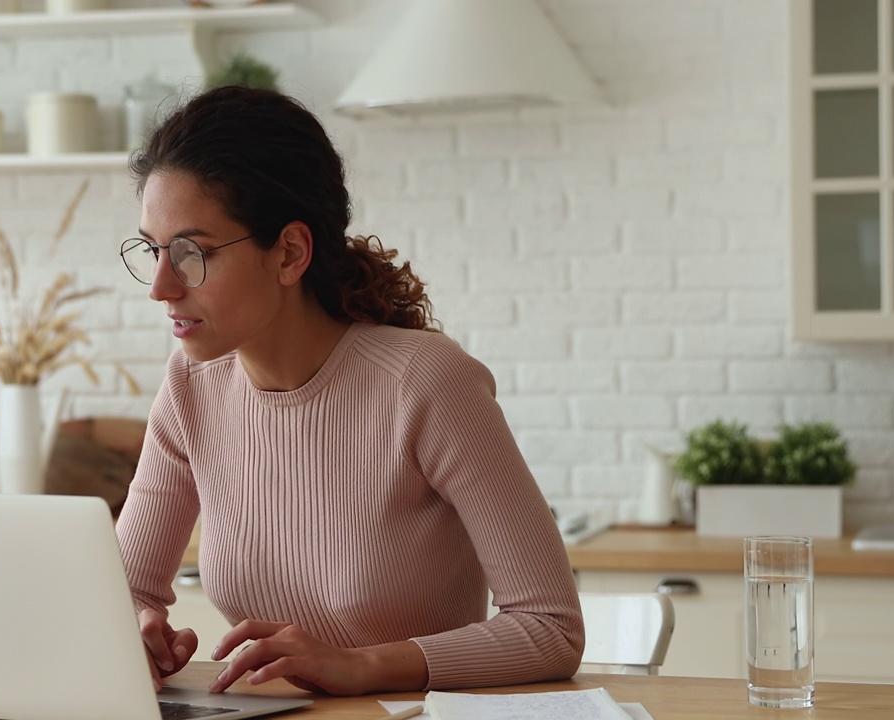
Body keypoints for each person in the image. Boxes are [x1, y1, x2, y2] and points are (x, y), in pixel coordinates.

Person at [113, 85, 583, 697]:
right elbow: (123, 591)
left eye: (191, 253)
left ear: (289, 253)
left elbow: (549, 628)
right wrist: (135, 629)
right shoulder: (189, 391)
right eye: (152, 250)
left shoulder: (427, 383)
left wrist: (360, 666)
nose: (160, 287)